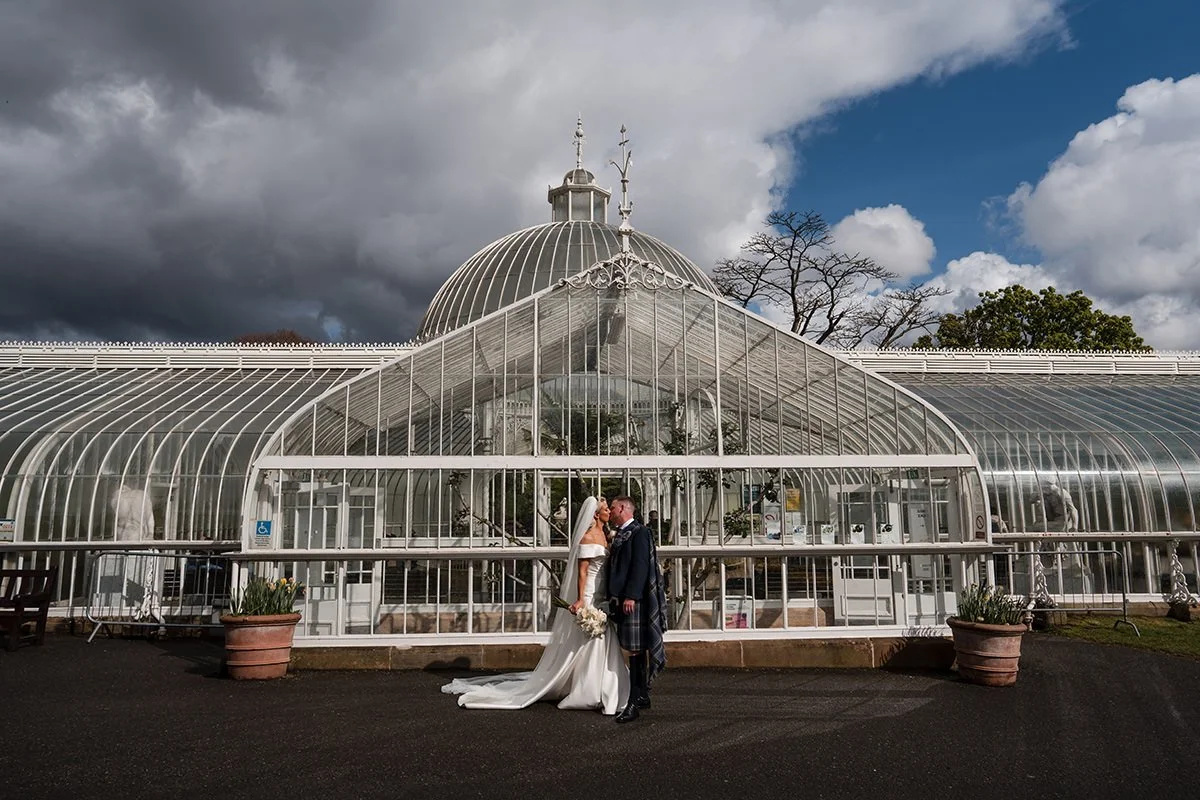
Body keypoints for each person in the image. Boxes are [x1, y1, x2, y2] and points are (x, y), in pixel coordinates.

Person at [441, 496, 629, 713]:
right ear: (597, 514)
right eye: (606, 509)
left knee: (599, 639)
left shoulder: (605, 535)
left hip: (600, 594)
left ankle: (598, 684)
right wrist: (580, 599)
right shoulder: (588, 538)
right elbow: (583, 572)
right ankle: (592, 687)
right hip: (588, 595)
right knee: (594, 638)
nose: (609, 512)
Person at [606, 495, 668, 723]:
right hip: (623, 598)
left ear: (623, 508)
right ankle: (641, 695)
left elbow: (640, 565)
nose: (610, 512)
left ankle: (633, 703)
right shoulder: (623, 532)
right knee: (636, 649)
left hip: (634, 600)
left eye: (612, 508)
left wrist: (631, 595)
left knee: (634, 649)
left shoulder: (639, 532)